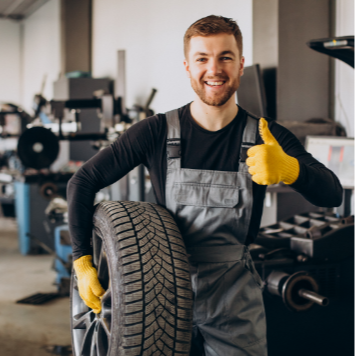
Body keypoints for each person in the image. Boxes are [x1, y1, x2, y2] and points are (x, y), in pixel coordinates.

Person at [68, 15, 343, 356]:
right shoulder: (155, 132)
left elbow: (332, 193)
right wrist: (81, 261)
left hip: (234, 302)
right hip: (157, 295)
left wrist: (290, 169)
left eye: (225, 57)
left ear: (241, 65)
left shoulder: (266, 136)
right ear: (187, 67)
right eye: (202, 59)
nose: (214, 69)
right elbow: (82, 182)